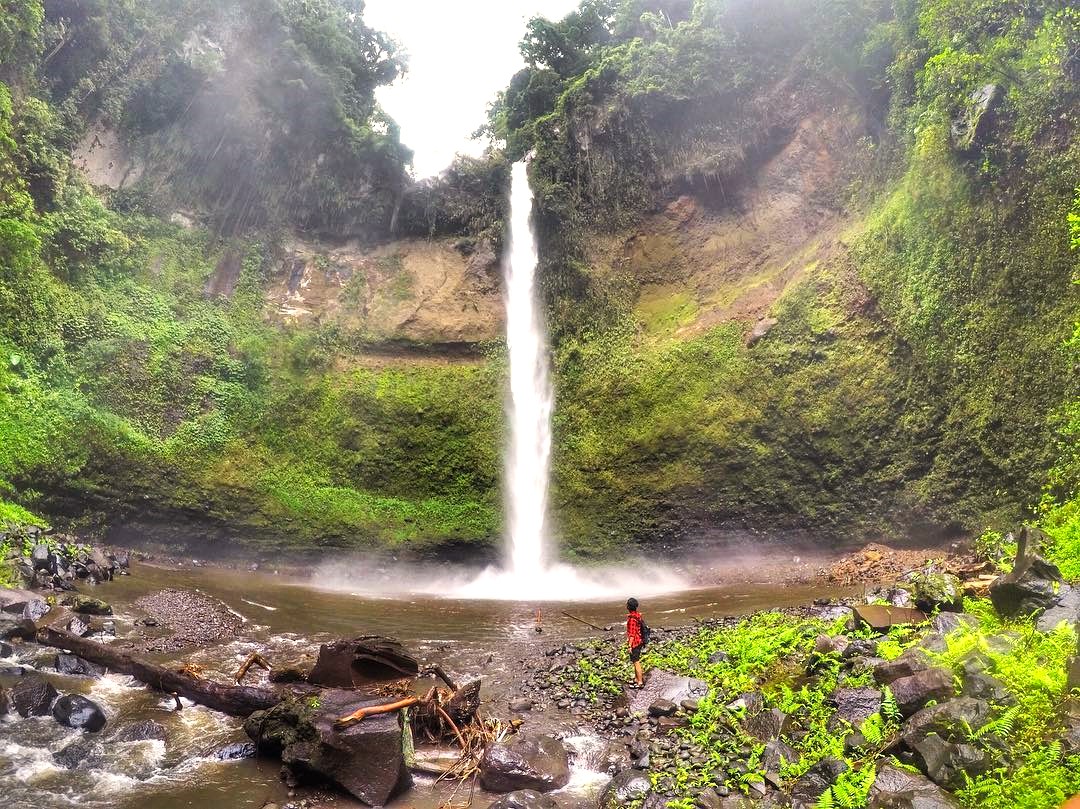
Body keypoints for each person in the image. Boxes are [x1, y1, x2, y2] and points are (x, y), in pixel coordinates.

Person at [626, 597, 645, 688]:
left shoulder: (632, 619)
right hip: (639, 640)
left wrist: (630, 645)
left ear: (629, 607)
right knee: (634, 661)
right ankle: (636, 679)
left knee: (636, 662)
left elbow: (632, 634)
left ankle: (640, 682)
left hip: (635, 642)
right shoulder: (637, 615)